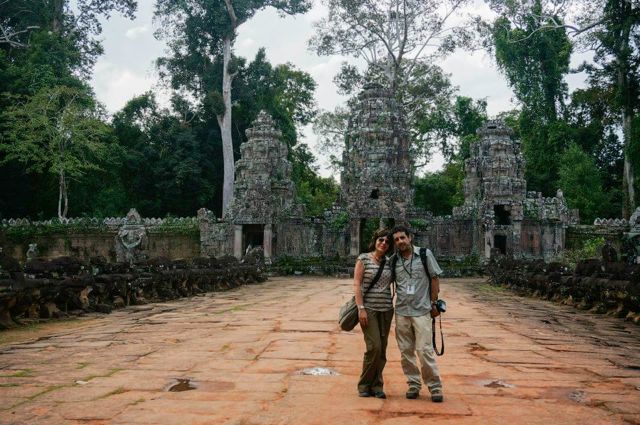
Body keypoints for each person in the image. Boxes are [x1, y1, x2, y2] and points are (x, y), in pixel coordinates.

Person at [391, 224, 444, 402]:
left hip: (421, 310)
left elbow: (435, 279)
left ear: (410, 237)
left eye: (402, 238)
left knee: (424, 350)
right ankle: (413, 384)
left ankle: (435, 386)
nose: (400, 242)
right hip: (402, 311)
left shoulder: (424, 254)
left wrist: (435, 303)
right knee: (406, 351)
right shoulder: (394, 260)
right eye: (396, 239)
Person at [353, 228, 394, 398]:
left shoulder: (390, 262)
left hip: (386, 309)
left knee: (382, 349)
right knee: (374, 347)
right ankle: (364, 384)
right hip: (368, 309)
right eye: (381, 240)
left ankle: (377, 386)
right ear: (375, 241)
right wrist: (360, 308)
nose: (383, 243)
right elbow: (357, 284)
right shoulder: (363, 259)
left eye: (386, 241)